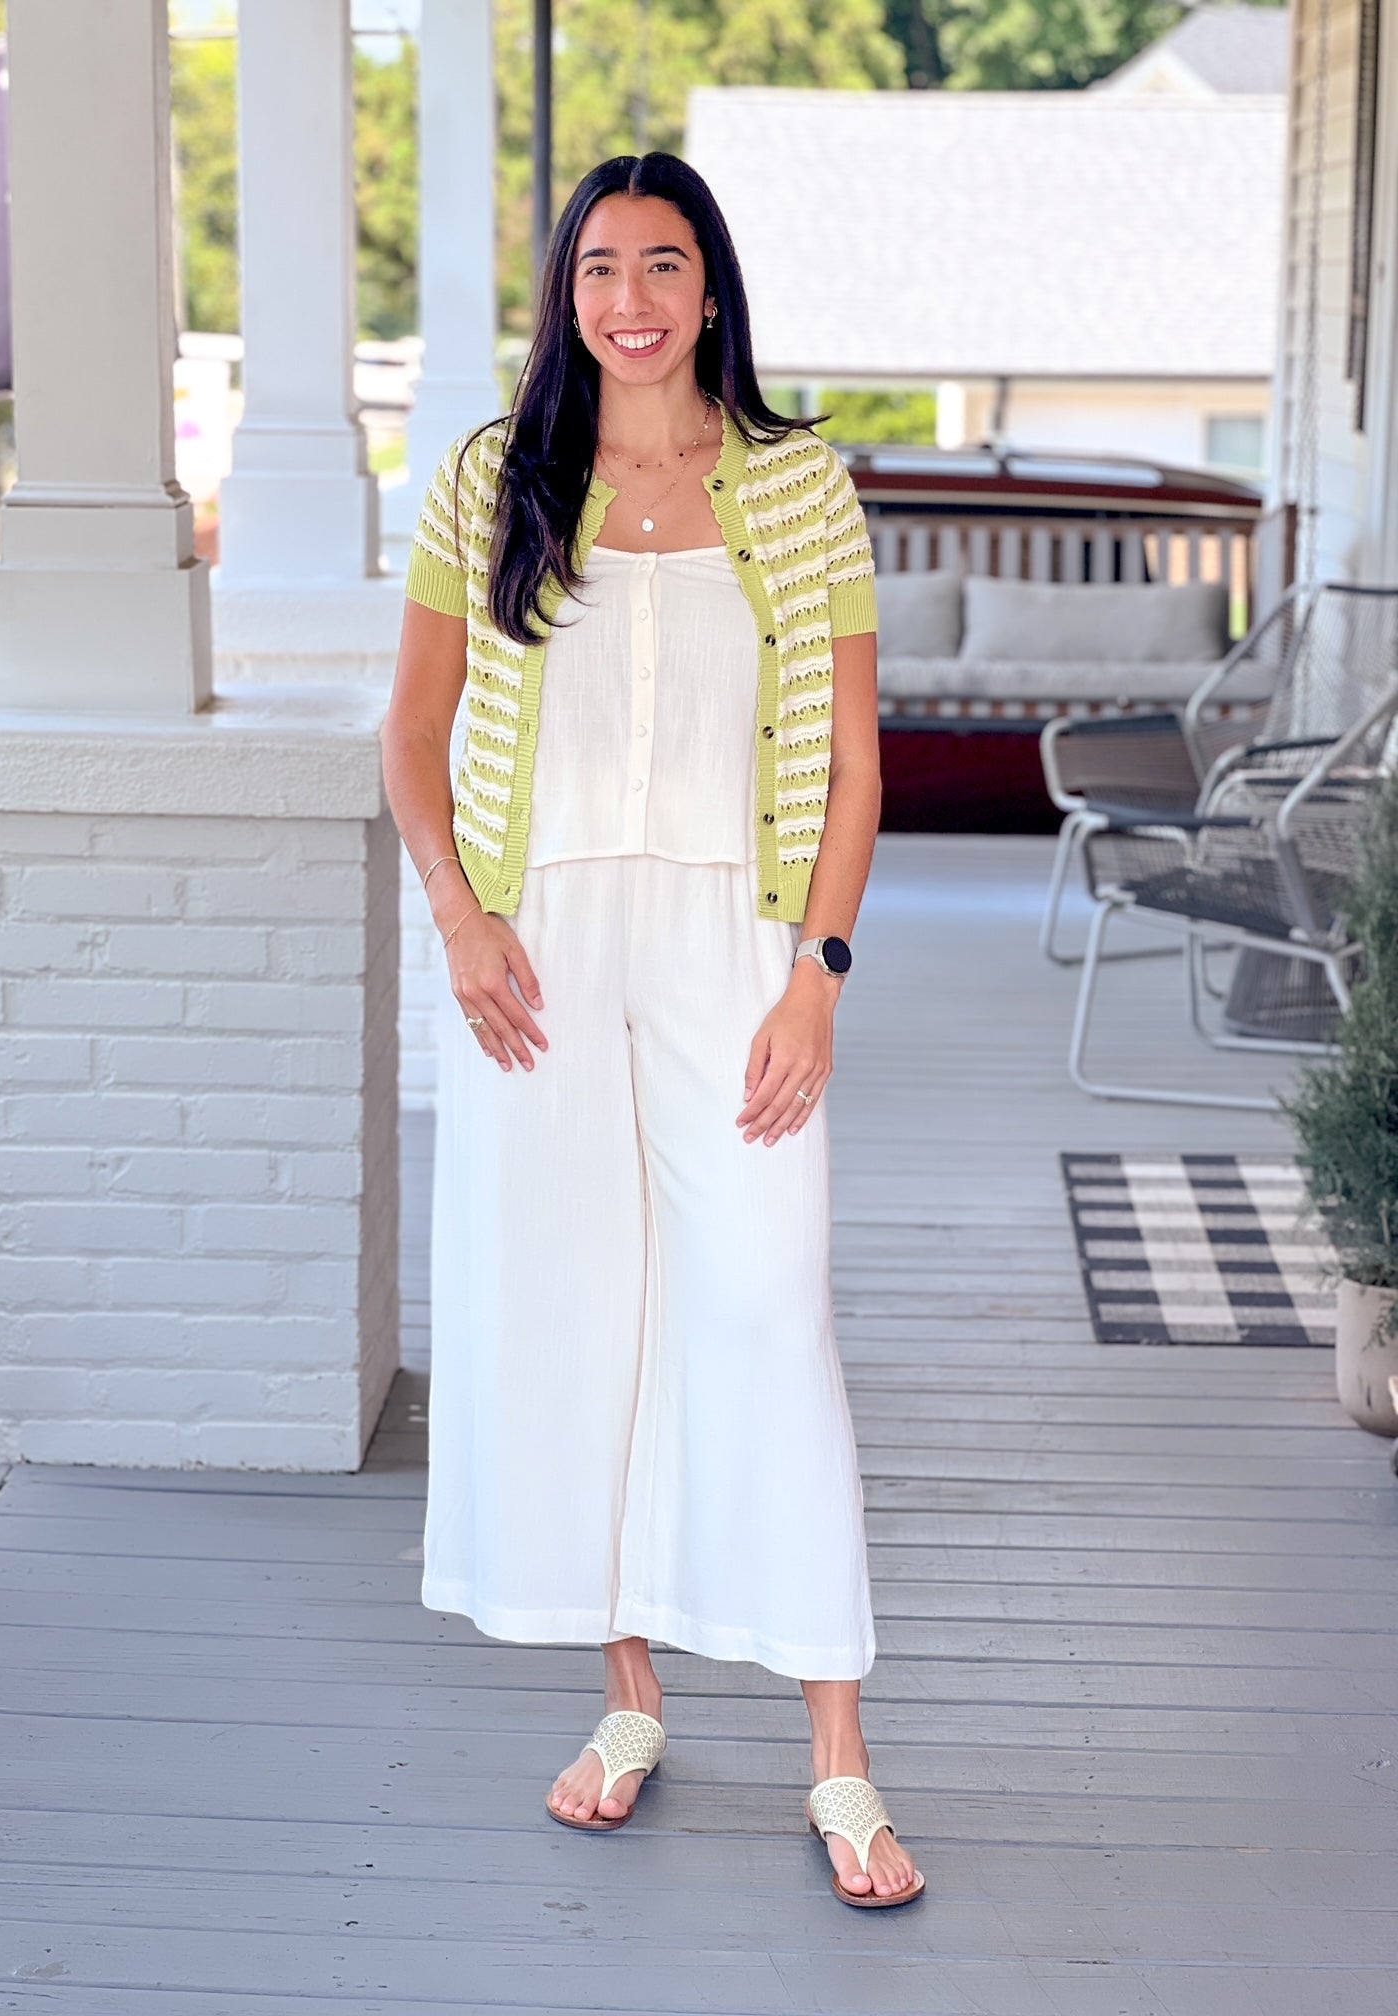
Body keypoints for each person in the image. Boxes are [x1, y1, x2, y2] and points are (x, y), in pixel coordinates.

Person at [381, 151, 923, 1909]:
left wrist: (816, 977)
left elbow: (853, 765)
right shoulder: (491, 477)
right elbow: (411, 731)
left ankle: (841, 1761)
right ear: (569, 291)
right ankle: (632, 1704)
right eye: (601, 267)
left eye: (664, 265)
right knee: (580, 1317)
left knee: (766, 1307)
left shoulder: (799, 483)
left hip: (733, 943)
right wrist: (462, 924)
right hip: (537, 954)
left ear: (711, 289)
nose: (631, 299)